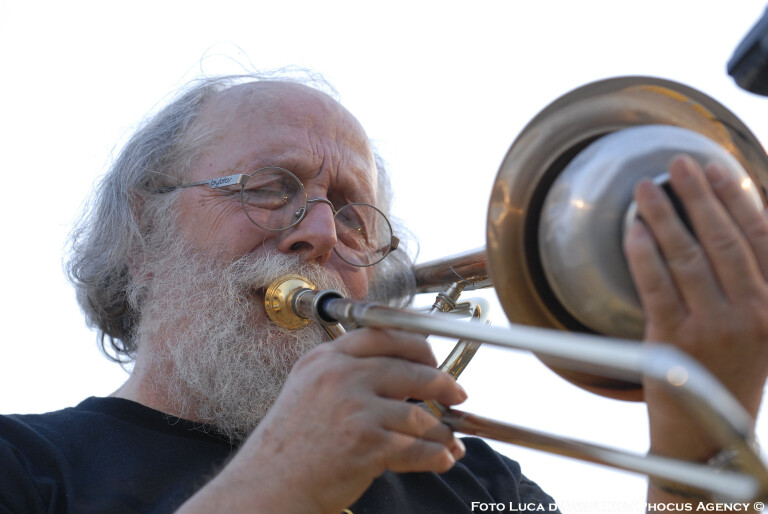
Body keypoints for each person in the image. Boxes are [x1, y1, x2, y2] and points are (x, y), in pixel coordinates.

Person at [1, 70, 767, 513]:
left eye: (357, 215)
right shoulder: (26, 465)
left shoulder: (476, 484)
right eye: (271, 188)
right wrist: (282, 483)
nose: (324, 234)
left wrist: (697, 438)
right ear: (141, 238)